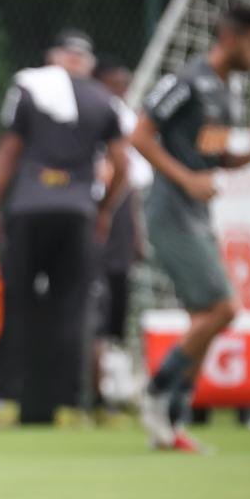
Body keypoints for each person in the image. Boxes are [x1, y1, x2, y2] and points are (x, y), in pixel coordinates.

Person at [131, 5, 250, 451]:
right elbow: (139, 135)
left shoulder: (227, 94)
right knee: (225, 309)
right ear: (229, 39)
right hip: (170, 211)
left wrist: (243, 160)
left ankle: (171, 426)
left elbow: (208, 156)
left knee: (204, 319)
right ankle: (154, 392)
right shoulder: (187, 81)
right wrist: (187, 180)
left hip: (195, 214)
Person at [0, 30, 128, 424]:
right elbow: (123, 165)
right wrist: (104, 208)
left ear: (53, 56)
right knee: (72, 307)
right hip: (78, 213)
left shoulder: (28, 89)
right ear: (87, 62)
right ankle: (68, 405)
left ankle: (9, 398)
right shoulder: (103, 100)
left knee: (19, 303)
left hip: (29, 207)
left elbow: (8, 151)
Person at [91, 56, 153, 409]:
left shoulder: (127, 121)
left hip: (115, 220)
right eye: (112, 86)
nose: (118, 93)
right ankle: (94, 393)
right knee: (93, 307)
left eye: (123, 87)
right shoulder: (87, 117)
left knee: (116, 305)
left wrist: (137, 235)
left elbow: (131, 180)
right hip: (89, 217)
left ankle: (110, 391)